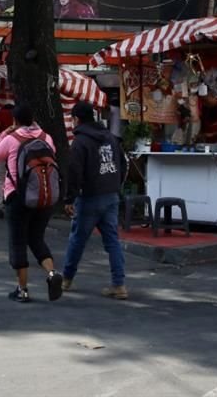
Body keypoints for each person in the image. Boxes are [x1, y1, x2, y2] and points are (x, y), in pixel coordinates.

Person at [0, 103, 64, 303]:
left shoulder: (12, 139)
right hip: (43, 197)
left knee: (18, 242)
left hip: (18, 197)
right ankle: (52, 273)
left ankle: (22, 290)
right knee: (36, 238)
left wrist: (4, 134)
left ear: (15, 120)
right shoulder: (46, 138)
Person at [61, 101, 129, 299]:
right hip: (111, 195)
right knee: (112, 241)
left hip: (89, 197)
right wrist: (116, 184)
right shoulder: (111, 137)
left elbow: (74, 172)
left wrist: (69, 198)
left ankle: (66, 279)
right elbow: (123, 164)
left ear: (77, 119)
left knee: (77, 240)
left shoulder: (80, 142)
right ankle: (119, 284)